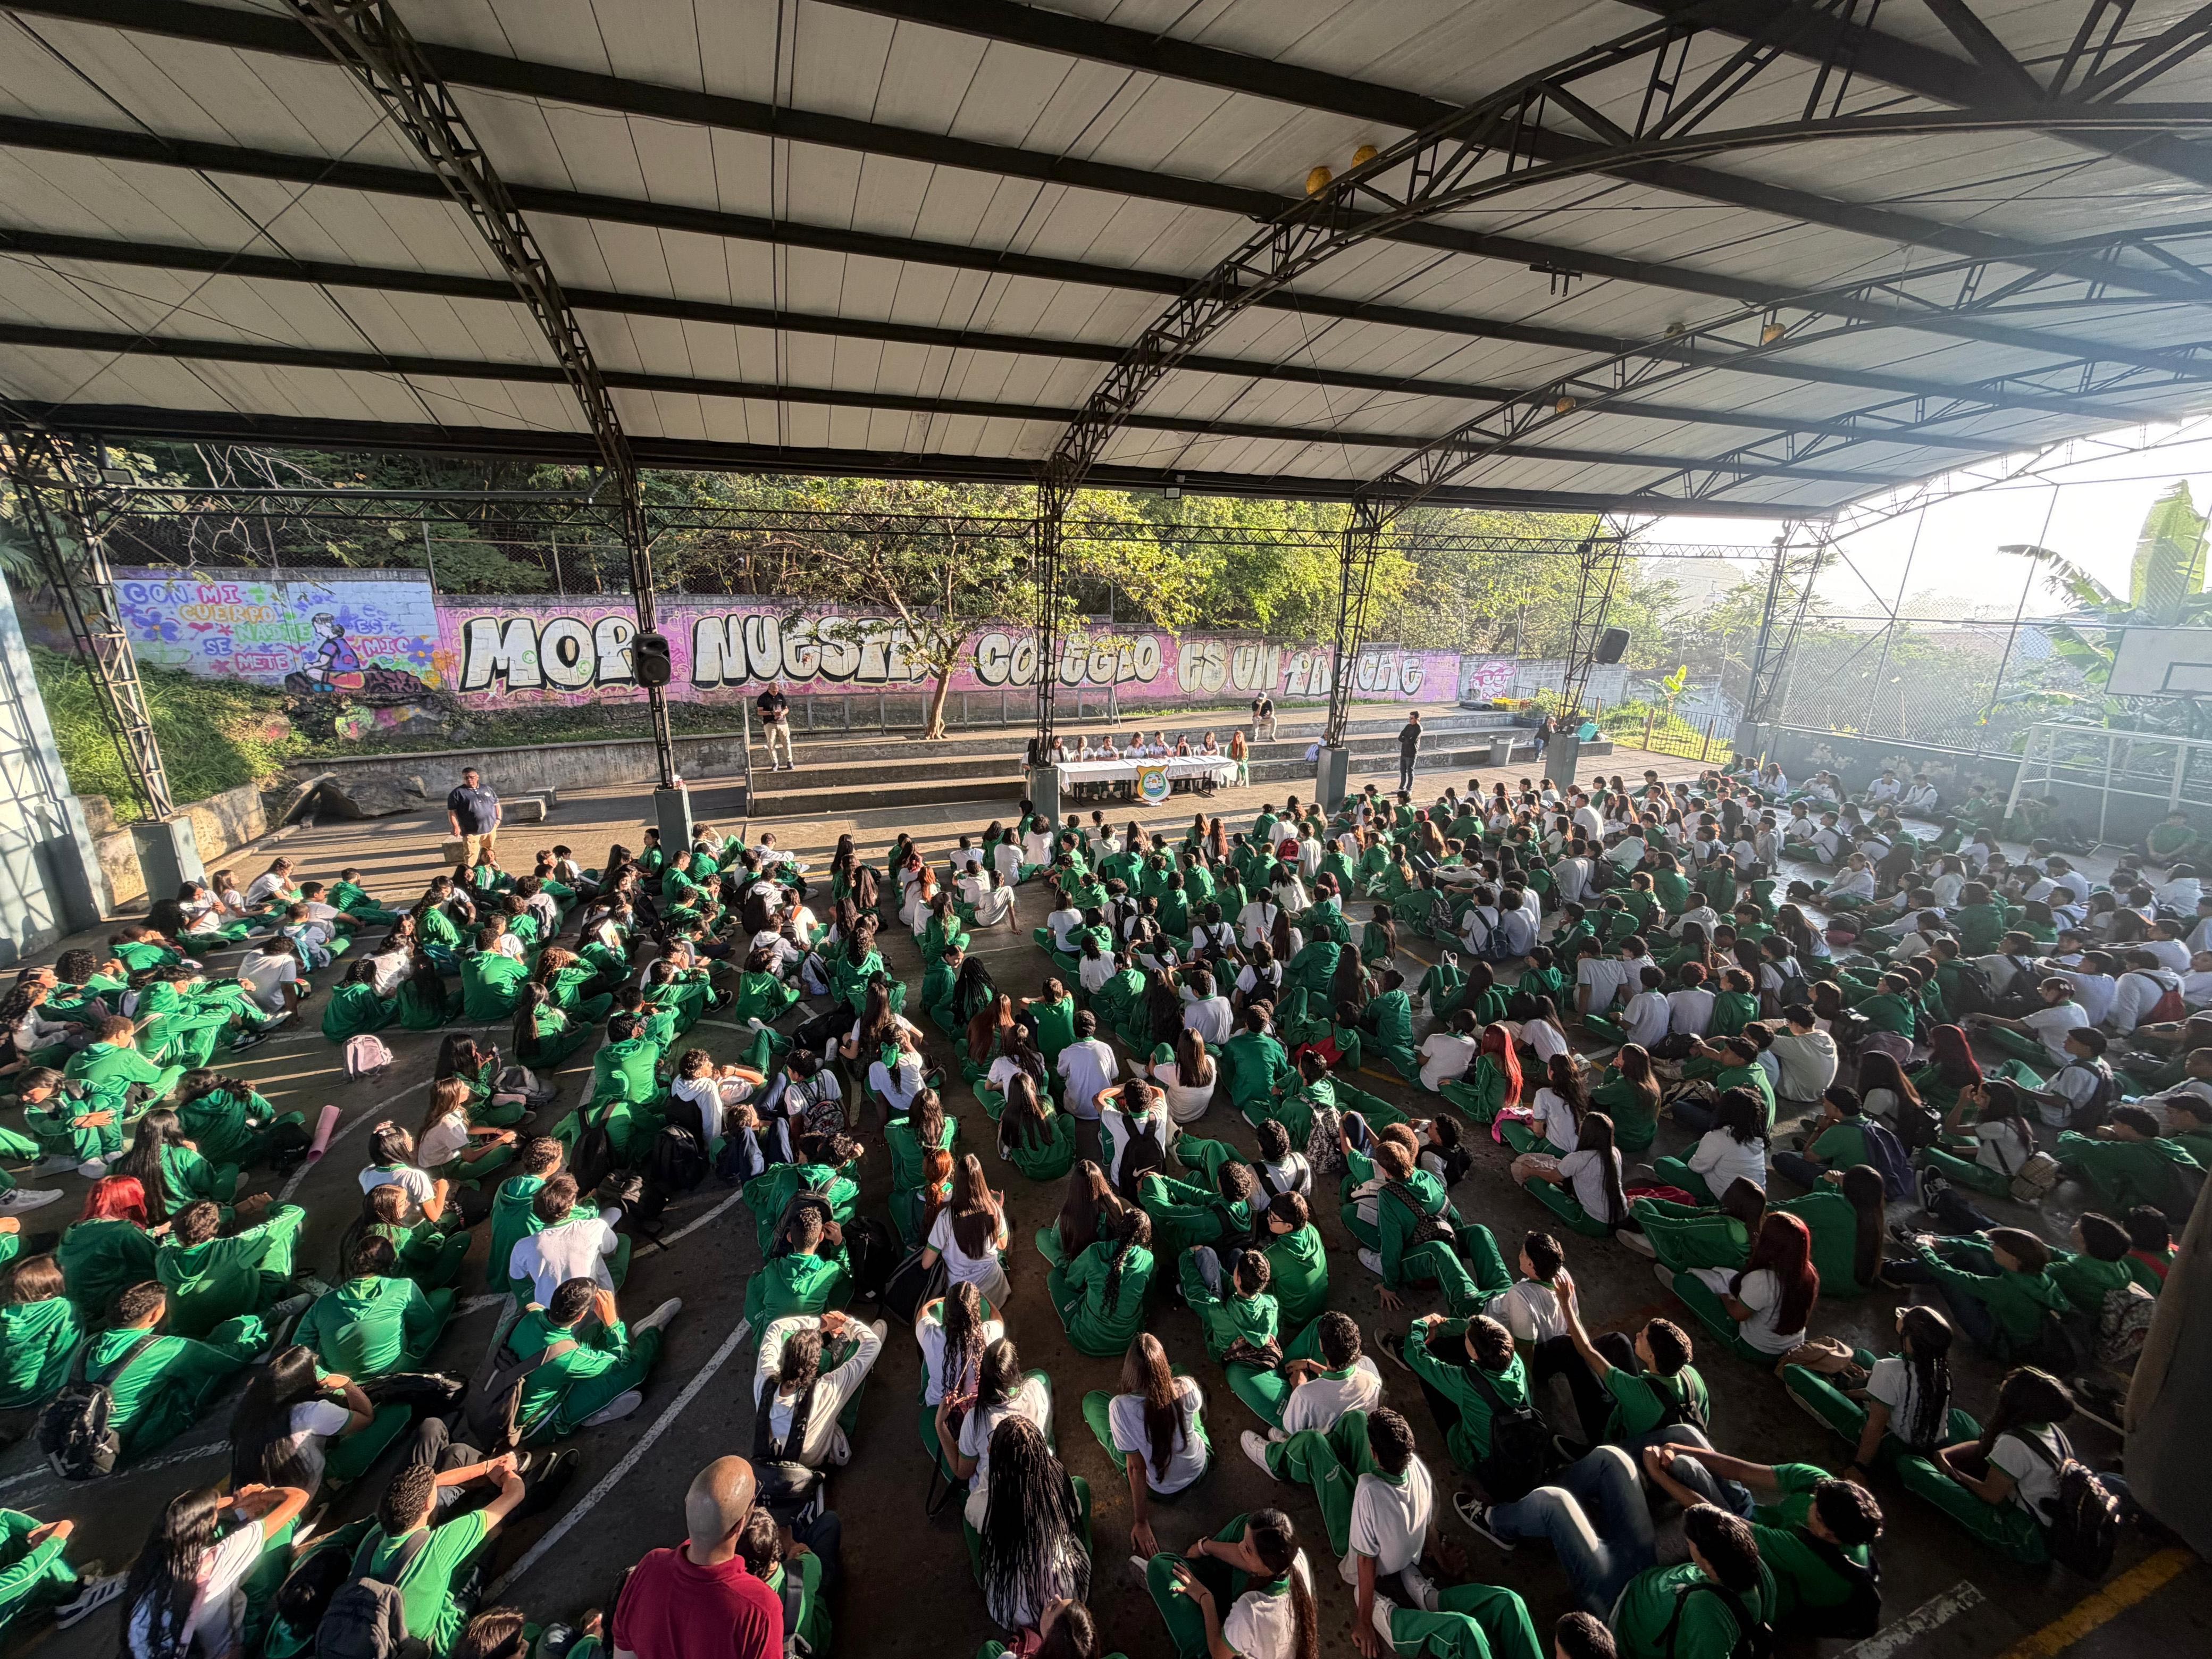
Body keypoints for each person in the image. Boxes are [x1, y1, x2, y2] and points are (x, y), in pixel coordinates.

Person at [349, 1448, 535, 1656]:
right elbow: (515, 1494)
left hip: (381, 1640)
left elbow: (434, 1483)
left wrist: (488, 1466)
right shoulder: (437, 1548)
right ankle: (543, 1490)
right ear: (428, 1504)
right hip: (439, 1642)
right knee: (492, 1534)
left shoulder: (374, 1535)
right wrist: (509, 1471)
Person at [610, 1455, 783, 1659]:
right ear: (739, 1525)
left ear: (687, 1504)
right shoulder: (760, 1608)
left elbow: (624, 1654)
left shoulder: (649, 1567)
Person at [120, 1481, 311, 1658]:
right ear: (205, 1525)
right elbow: (297, 1497)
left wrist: (232, 1502)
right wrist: (258, 1496)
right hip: (227, 1653)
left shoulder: (147, 1565)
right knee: (281, 1525)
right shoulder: (217, 1559)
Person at [1087, 1332, 1207, 1555]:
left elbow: (1136, 1468)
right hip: (1200, 1467)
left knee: (1092, 1401)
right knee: (1181, 1368)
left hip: (1161, 1489)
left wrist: (1141, 1521)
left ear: (1130, 1373)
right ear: (1163, 1367)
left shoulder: (1120, 1407)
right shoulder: (1187, 1387)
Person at [1145, 1507, 1313, 1659]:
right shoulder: (1294, 1559)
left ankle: (1181, 1597)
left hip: (1223, 1651)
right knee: (1243, 1525)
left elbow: (1219, 1654)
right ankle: (1199, 1577)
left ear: (1267, 1564)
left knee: (1159, 1568)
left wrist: (1205, 1597)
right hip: (1253, 1636)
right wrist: (1206, 1546)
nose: (1240, 1546)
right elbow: (1249, 1554)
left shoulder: (1251, 1611)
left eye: (1247, 1549)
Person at [447, 767, 501, 869]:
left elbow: (496, 804)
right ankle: (470, 876)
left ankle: (489, 872)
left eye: (471, 777)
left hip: (489, 829)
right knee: (471, 855)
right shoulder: (457, 793)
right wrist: (455, 826)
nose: (469, 780)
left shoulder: (487, 789)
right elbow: (452, 812)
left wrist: (498, 820)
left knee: (489, 852)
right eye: (466, 778)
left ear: (477, 777)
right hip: (471, 831)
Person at [757, 680, 794, 772]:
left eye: (777, 691)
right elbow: (759, 712)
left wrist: (782, 713)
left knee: (786, 742)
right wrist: (771, 713)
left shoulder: (781, 696)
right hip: (770, 723)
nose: (775, 693)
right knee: (771, 743)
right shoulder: (763, 698)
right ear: (769, 689)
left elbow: (786, 709)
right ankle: (775, 763)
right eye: (774, 691)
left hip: (783, 722)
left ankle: (790, 762)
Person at [1397, 712, 1422, 795]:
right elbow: (1400, 737)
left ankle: (1409, 788)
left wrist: (1405, 738)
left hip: (1411, 753)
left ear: (1417, 719)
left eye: (1412, 718)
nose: (1410, 720)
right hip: (1404, 752)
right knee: (1403, 771)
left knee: (1410, 771)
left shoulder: (1419, 728)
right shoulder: (1408, 727)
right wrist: (1406, 739)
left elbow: (1412, 741)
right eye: (1410, 718)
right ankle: (1401, 787)